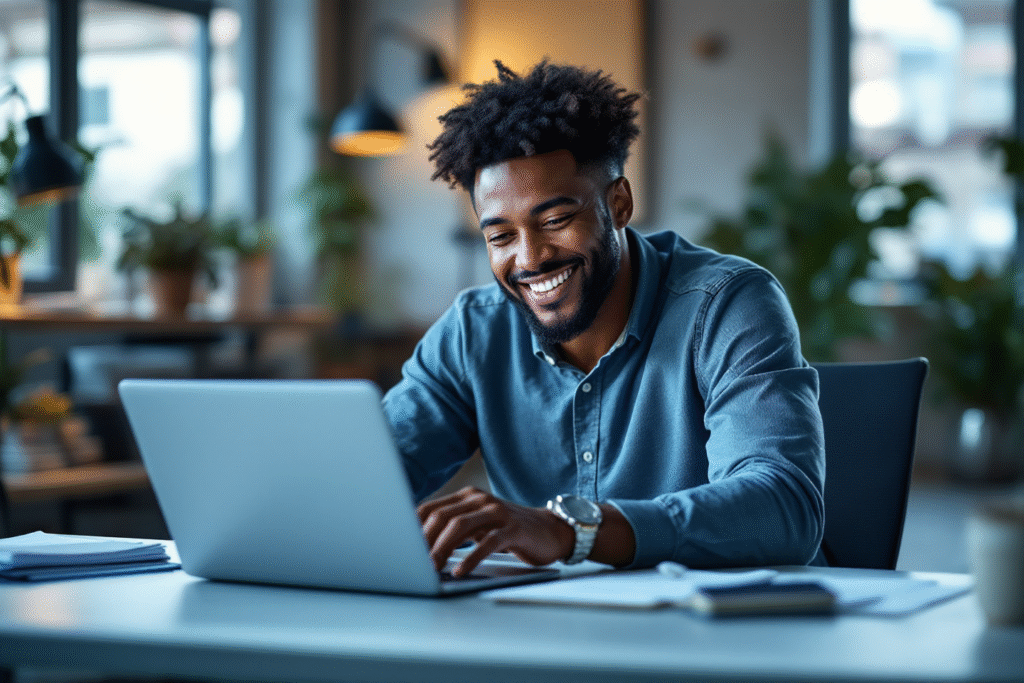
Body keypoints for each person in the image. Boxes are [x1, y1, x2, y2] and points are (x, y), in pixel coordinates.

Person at [382, 60, 826, 577]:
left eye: (555, 220)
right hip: (542, 619)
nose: (530, 258)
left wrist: (572, 531)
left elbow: (783, 507)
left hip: (712, 619)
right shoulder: (473, 334)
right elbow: (370, 474)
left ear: (618, 204)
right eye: (500, 236)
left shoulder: (727, 304)